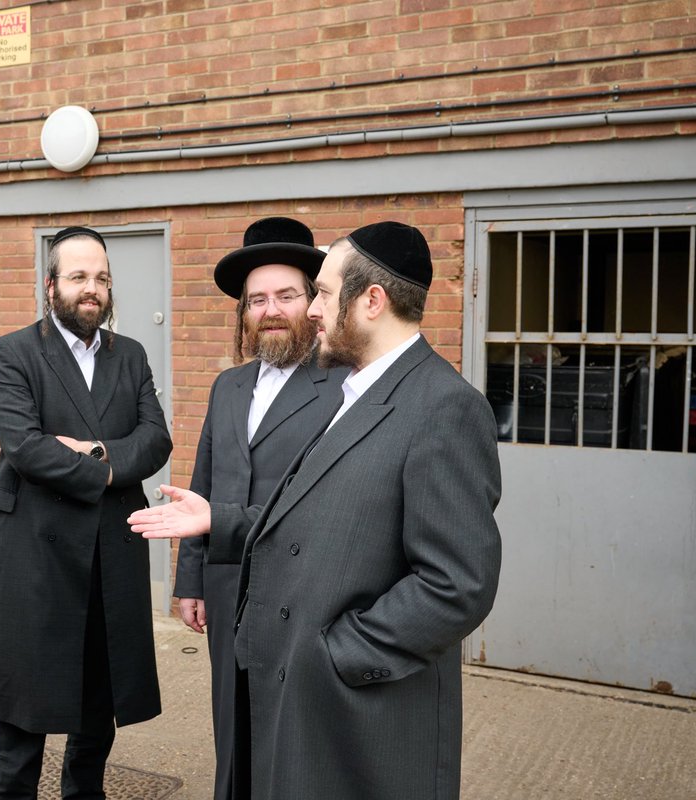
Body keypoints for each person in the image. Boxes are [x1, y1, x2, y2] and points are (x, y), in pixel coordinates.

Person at [132, 221, 503, 800]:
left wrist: (339, 652)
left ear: (372, 301)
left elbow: (458, 585)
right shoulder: (358, 390)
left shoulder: (445, 407)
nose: (310, 311)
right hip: (289, 652)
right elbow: (308, 517)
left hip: (350, 687)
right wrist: (216, 528)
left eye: (322, 293)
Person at [132, 217, 346, 800]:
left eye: (286, 296)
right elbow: (204, 483)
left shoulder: (345, 386)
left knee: (289, 723)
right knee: (231, 718)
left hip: (301, 588)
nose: (271, 310)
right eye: (257, 300)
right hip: (228, 587)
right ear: (243, 313)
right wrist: (191, 580)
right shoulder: (229, 385)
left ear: (313, 302)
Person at [0, 225, 173, 799]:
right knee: (25, 705)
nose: (92, 289)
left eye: (102, 278)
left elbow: (156, 440)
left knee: (100, 692)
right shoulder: (13, 352)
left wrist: (97, 456)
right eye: (79, 277)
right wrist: (116, 464)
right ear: (51, 285)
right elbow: (27, 447)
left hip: (109, 546)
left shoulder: (129, 354)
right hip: (31, 551)